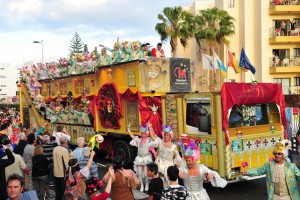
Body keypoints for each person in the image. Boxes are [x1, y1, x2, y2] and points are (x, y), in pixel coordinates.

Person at [179, 135, 227, 200]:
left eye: (189, 161)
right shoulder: (184, 168)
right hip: (187, 197)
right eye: (186, 160)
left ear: (195, 159)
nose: (187, 162)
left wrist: (211, 175)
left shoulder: (202, 168)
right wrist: (179, 173)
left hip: (201, 196)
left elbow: (212, 172)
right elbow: (176, 172)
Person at [127, 122, 156, 192]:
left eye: (144, 133)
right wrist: (128, 129)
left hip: (146, 158)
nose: (143, 135)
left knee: (146, 173)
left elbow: (154, 137)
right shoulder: (138, 140)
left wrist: (150, 127)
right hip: (139, 158)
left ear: (146, 134)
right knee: (139, 173)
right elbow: (132, 136)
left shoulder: (149, 140)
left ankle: (147, 184)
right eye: (142, 133)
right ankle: (142, 185)